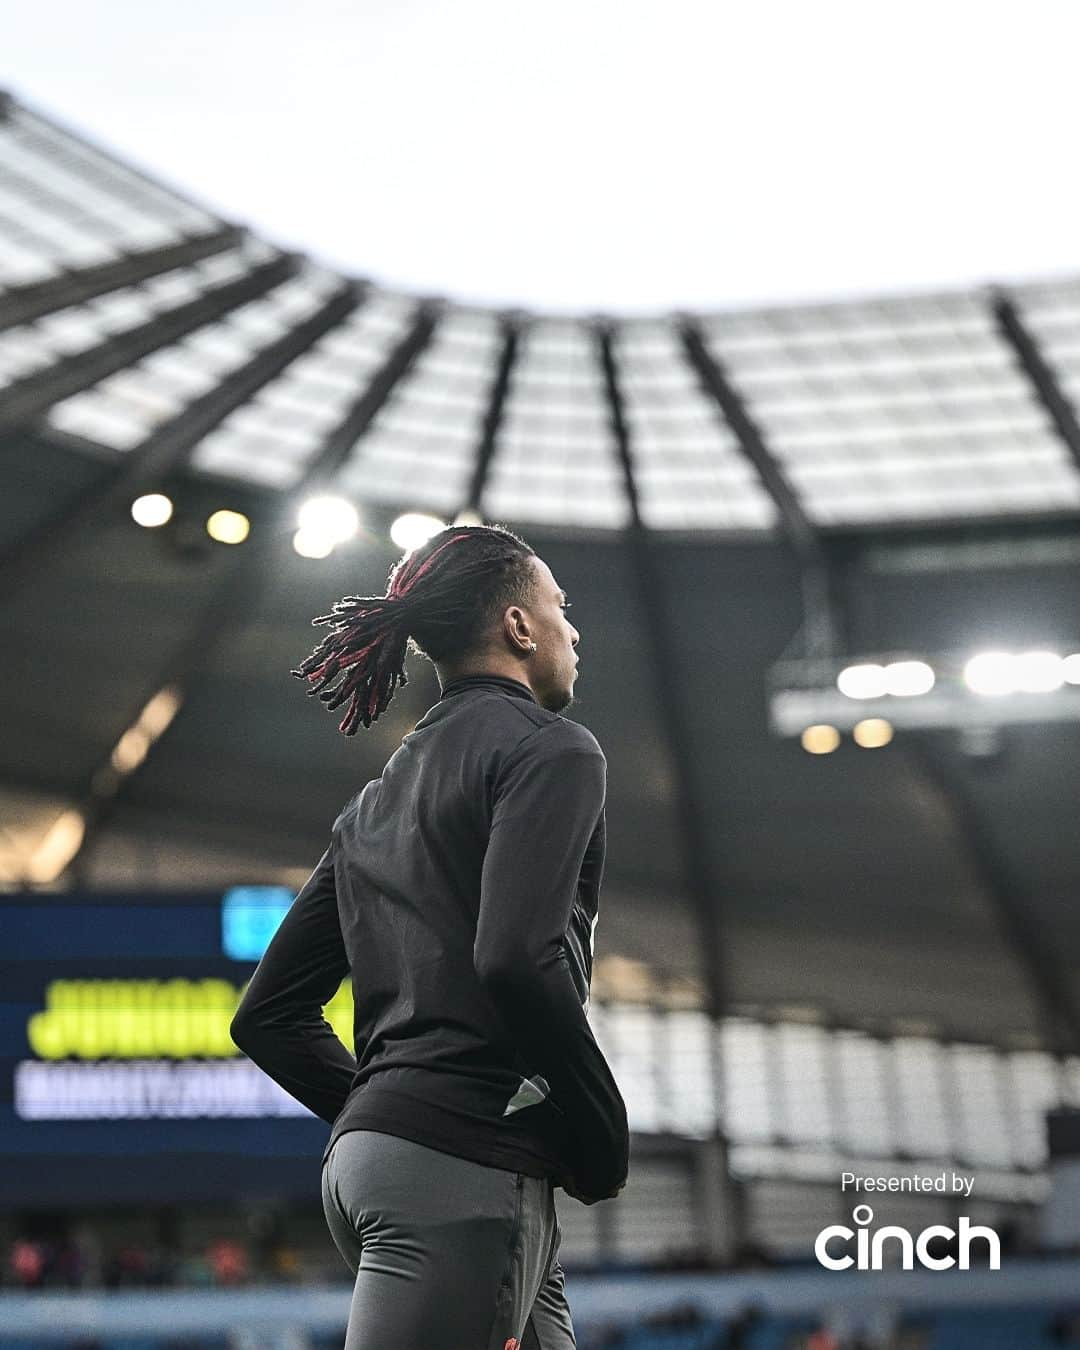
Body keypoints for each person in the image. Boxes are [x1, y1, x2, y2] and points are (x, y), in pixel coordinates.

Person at [231, 524, 630, 1350]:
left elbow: (266, 1016)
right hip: (464, 1171)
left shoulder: (376, 801)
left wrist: (387, 1114)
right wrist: (599, 1126)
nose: (573, 629)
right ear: (520, 628)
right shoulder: (552, 750)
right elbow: (517, 958)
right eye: (561, 607)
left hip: (397, 1165)